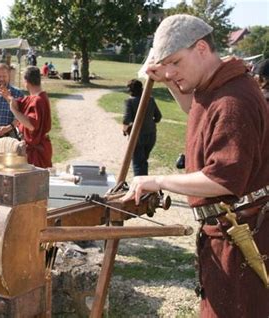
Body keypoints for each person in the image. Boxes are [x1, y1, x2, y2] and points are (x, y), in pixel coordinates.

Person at [121, 14, 269, 317]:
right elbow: (197, 109)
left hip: (241, 237)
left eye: (175, 61)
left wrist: (157, 181)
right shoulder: (217, 86)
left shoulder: (233, 101)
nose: (171, 70)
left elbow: (223, 180)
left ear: (201, 48)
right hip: (227, 232)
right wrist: (170, 81)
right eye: (166, 64)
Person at [0, 66, 52, 168]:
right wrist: (9, 98)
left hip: (37, 152)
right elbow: (19, 104)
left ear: (26, 81)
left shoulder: (38, 100)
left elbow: (31, 125)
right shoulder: (33, 97)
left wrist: (13, 110)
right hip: (33, 149)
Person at [122, 79, 162, 176]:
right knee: (143, 161)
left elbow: (126, 120)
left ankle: (141, 187)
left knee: (138, 163)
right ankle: (145, 184)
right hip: (151, 135)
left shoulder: (130, 101)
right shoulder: (150, 99)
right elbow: (158, 116)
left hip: (137, 136)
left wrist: (125, 129)